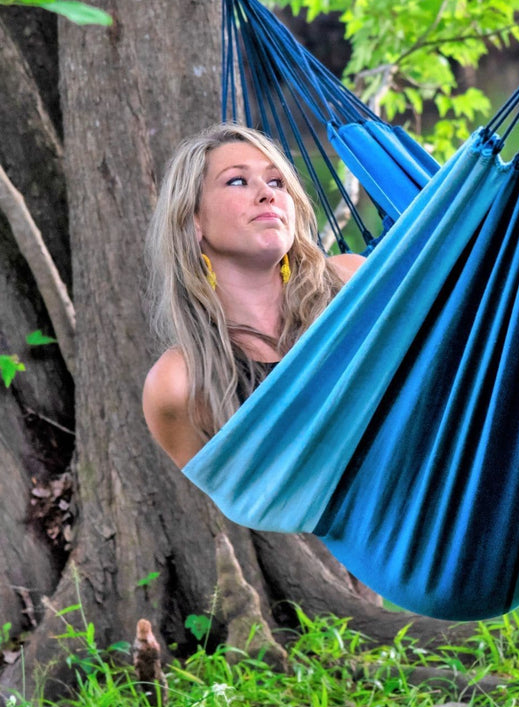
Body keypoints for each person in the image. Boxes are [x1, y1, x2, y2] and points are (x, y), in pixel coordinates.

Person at [143, 123, 363, 468]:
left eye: (276, 181)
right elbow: (254, 510)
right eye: (237, 181)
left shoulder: (352, 283)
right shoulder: (178, 384)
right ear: (194, 220)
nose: (267, 193)